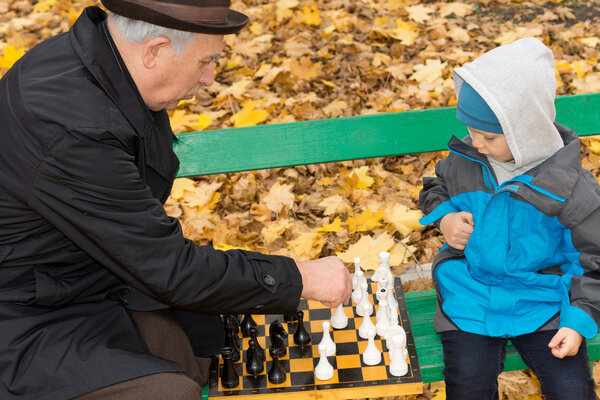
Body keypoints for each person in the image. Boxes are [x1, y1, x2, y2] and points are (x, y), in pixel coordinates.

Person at [0, 1, 352, 399]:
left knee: (204, 343)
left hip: (79, 282)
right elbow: (169, 269)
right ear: (155, 50)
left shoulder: (104, 68)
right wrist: (301, 277)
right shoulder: (72, 127)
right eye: (206, 61)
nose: (210, 79)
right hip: (23, 317)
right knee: (170, 391)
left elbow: (147, 248)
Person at [418, 38, 600, 400]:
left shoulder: (570, 187)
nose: (476, 143)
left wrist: (579, 320)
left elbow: (594, 261)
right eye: (471, 131)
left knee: (572, 390)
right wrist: (445, 218)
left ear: (525, 131)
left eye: (488, 135)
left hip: (543, 300)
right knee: (467, 384)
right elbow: (435, 187)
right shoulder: (467, 162)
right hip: (470, 294)